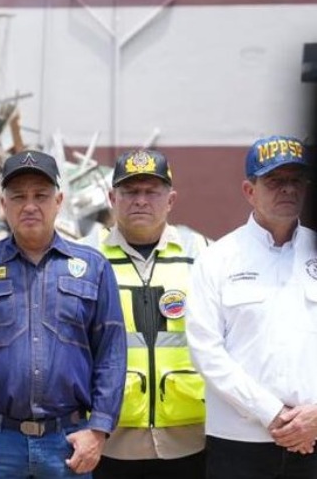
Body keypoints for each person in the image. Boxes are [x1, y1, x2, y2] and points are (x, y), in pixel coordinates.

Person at [0, 149, 127, 478]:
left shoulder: (93, 268)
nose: (29, 205)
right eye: (18, 196)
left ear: (59, 200)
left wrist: (99, 429)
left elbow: (111, 354)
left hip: (67, 444)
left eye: (40, 195)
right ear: (3, 205)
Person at [187, 135, 317, 478]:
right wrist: (271, 412)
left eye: (295, 181)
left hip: (313, 437)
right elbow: (206, 352)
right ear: (249, 191)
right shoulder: (217, 258)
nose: (288, 189)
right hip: (239, 442)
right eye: (275, 181)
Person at [86, 149, 209, 479]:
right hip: (108, 437)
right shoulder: (88, 259)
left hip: (190, 437)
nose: (140, 200)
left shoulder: (201, 254)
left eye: (151, 191)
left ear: (170, 199)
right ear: (112, 198)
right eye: (130, 191)